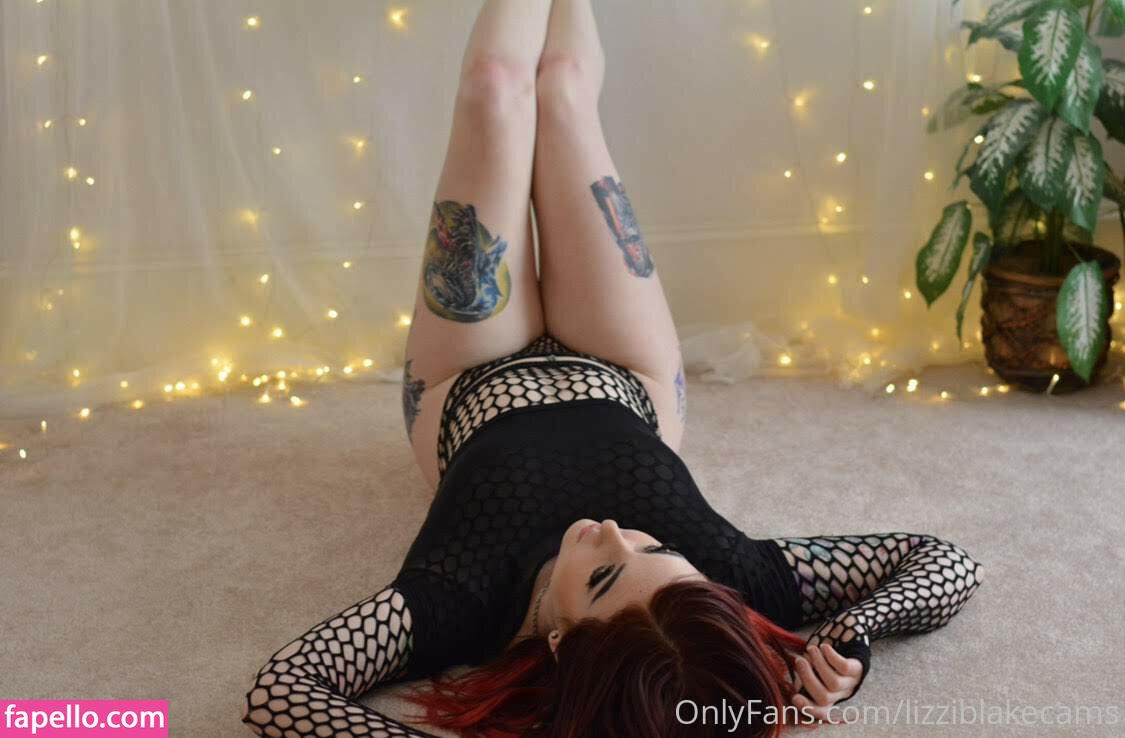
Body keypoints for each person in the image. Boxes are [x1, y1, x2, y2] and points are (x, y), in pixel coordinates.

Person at [241, 1, 985, 736]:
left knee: (495, 87)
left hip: (468, 377)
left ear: (562, 644)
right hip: (622, 367)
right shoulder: (731, 578)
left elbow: (283, 691)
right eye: (660, 550)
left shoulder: (457, 605)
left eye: (602, 578)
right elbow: (942, 561)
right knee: (562, 86)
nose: (613, 532)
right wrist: (852, 633)